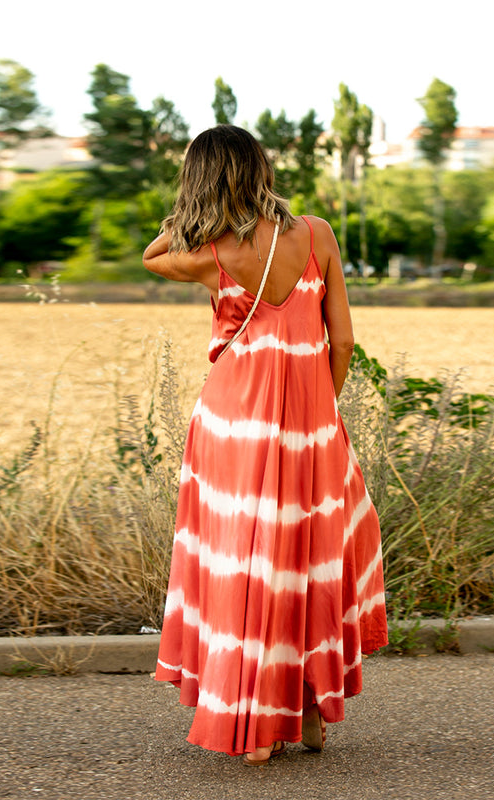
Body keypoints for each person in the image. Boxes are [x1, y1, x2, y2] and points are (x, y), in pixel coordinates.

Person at [143, 125, 388, 765]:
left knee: (243, 562)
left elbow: (152, 252)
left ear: (202, 181)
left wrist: (197, 208)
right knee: (305, 561)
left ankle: (251, 725)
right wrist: (320, 411)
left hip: (231, 421)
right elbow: (342, 344)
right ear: (263, 168)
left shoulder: (206, 251)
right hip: (312, 423)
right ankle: (306, 710)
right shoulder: (318, 234)